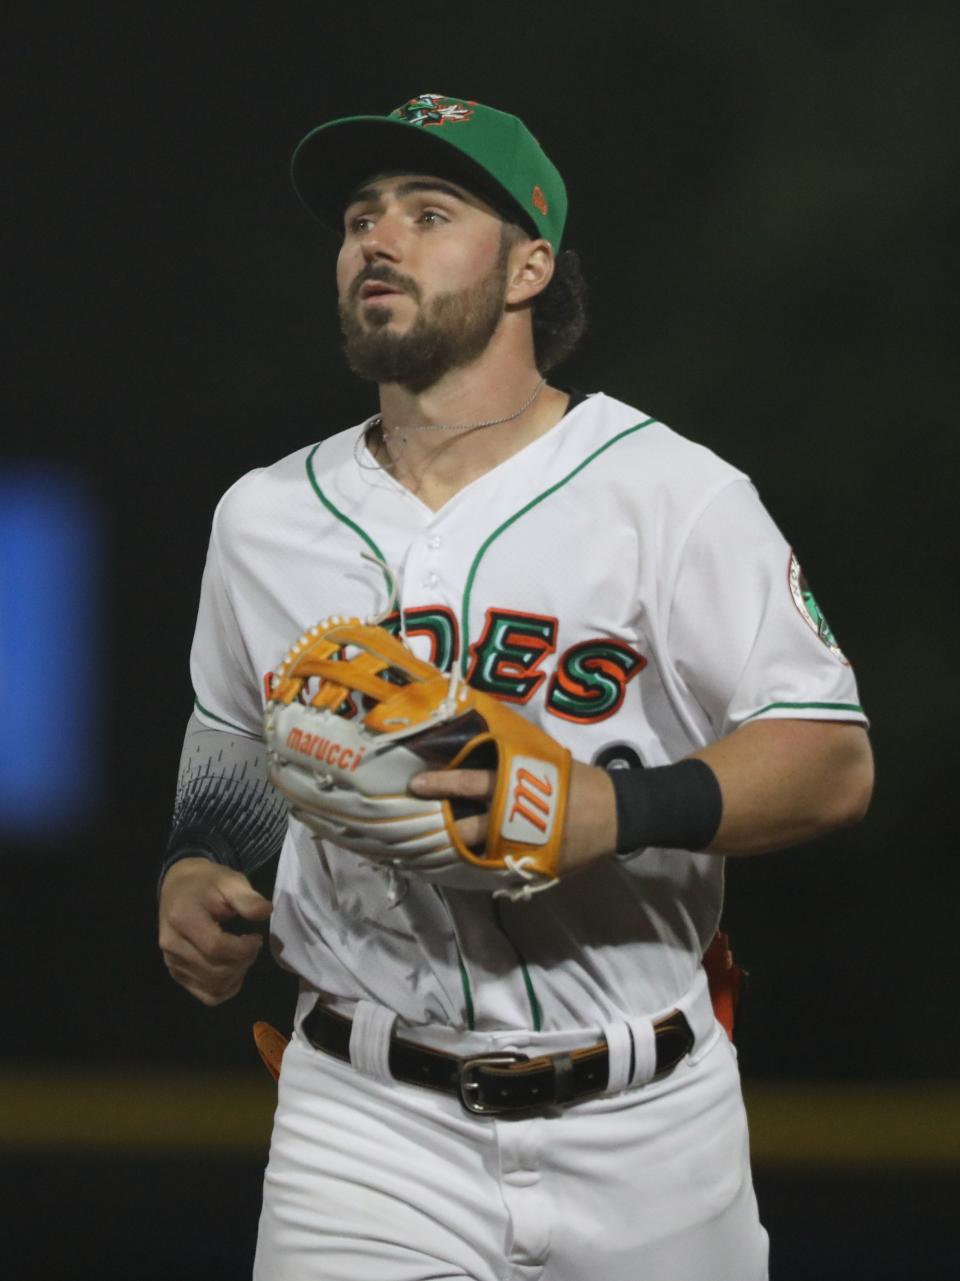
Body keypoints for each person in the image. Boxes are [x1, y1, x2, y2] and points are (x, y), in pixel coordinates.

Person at [158, 93, 874, 1281]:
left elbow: (829, 758)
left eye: (429, 213)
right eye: (357, 220)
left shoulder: (669, 493)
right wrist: (199, 859)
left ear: (530, 266)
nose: (377, 242)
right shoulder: (266, 516)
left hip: (649, 1125)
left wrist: (612, 808)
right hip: (366, 1123)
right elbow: (235, 728)